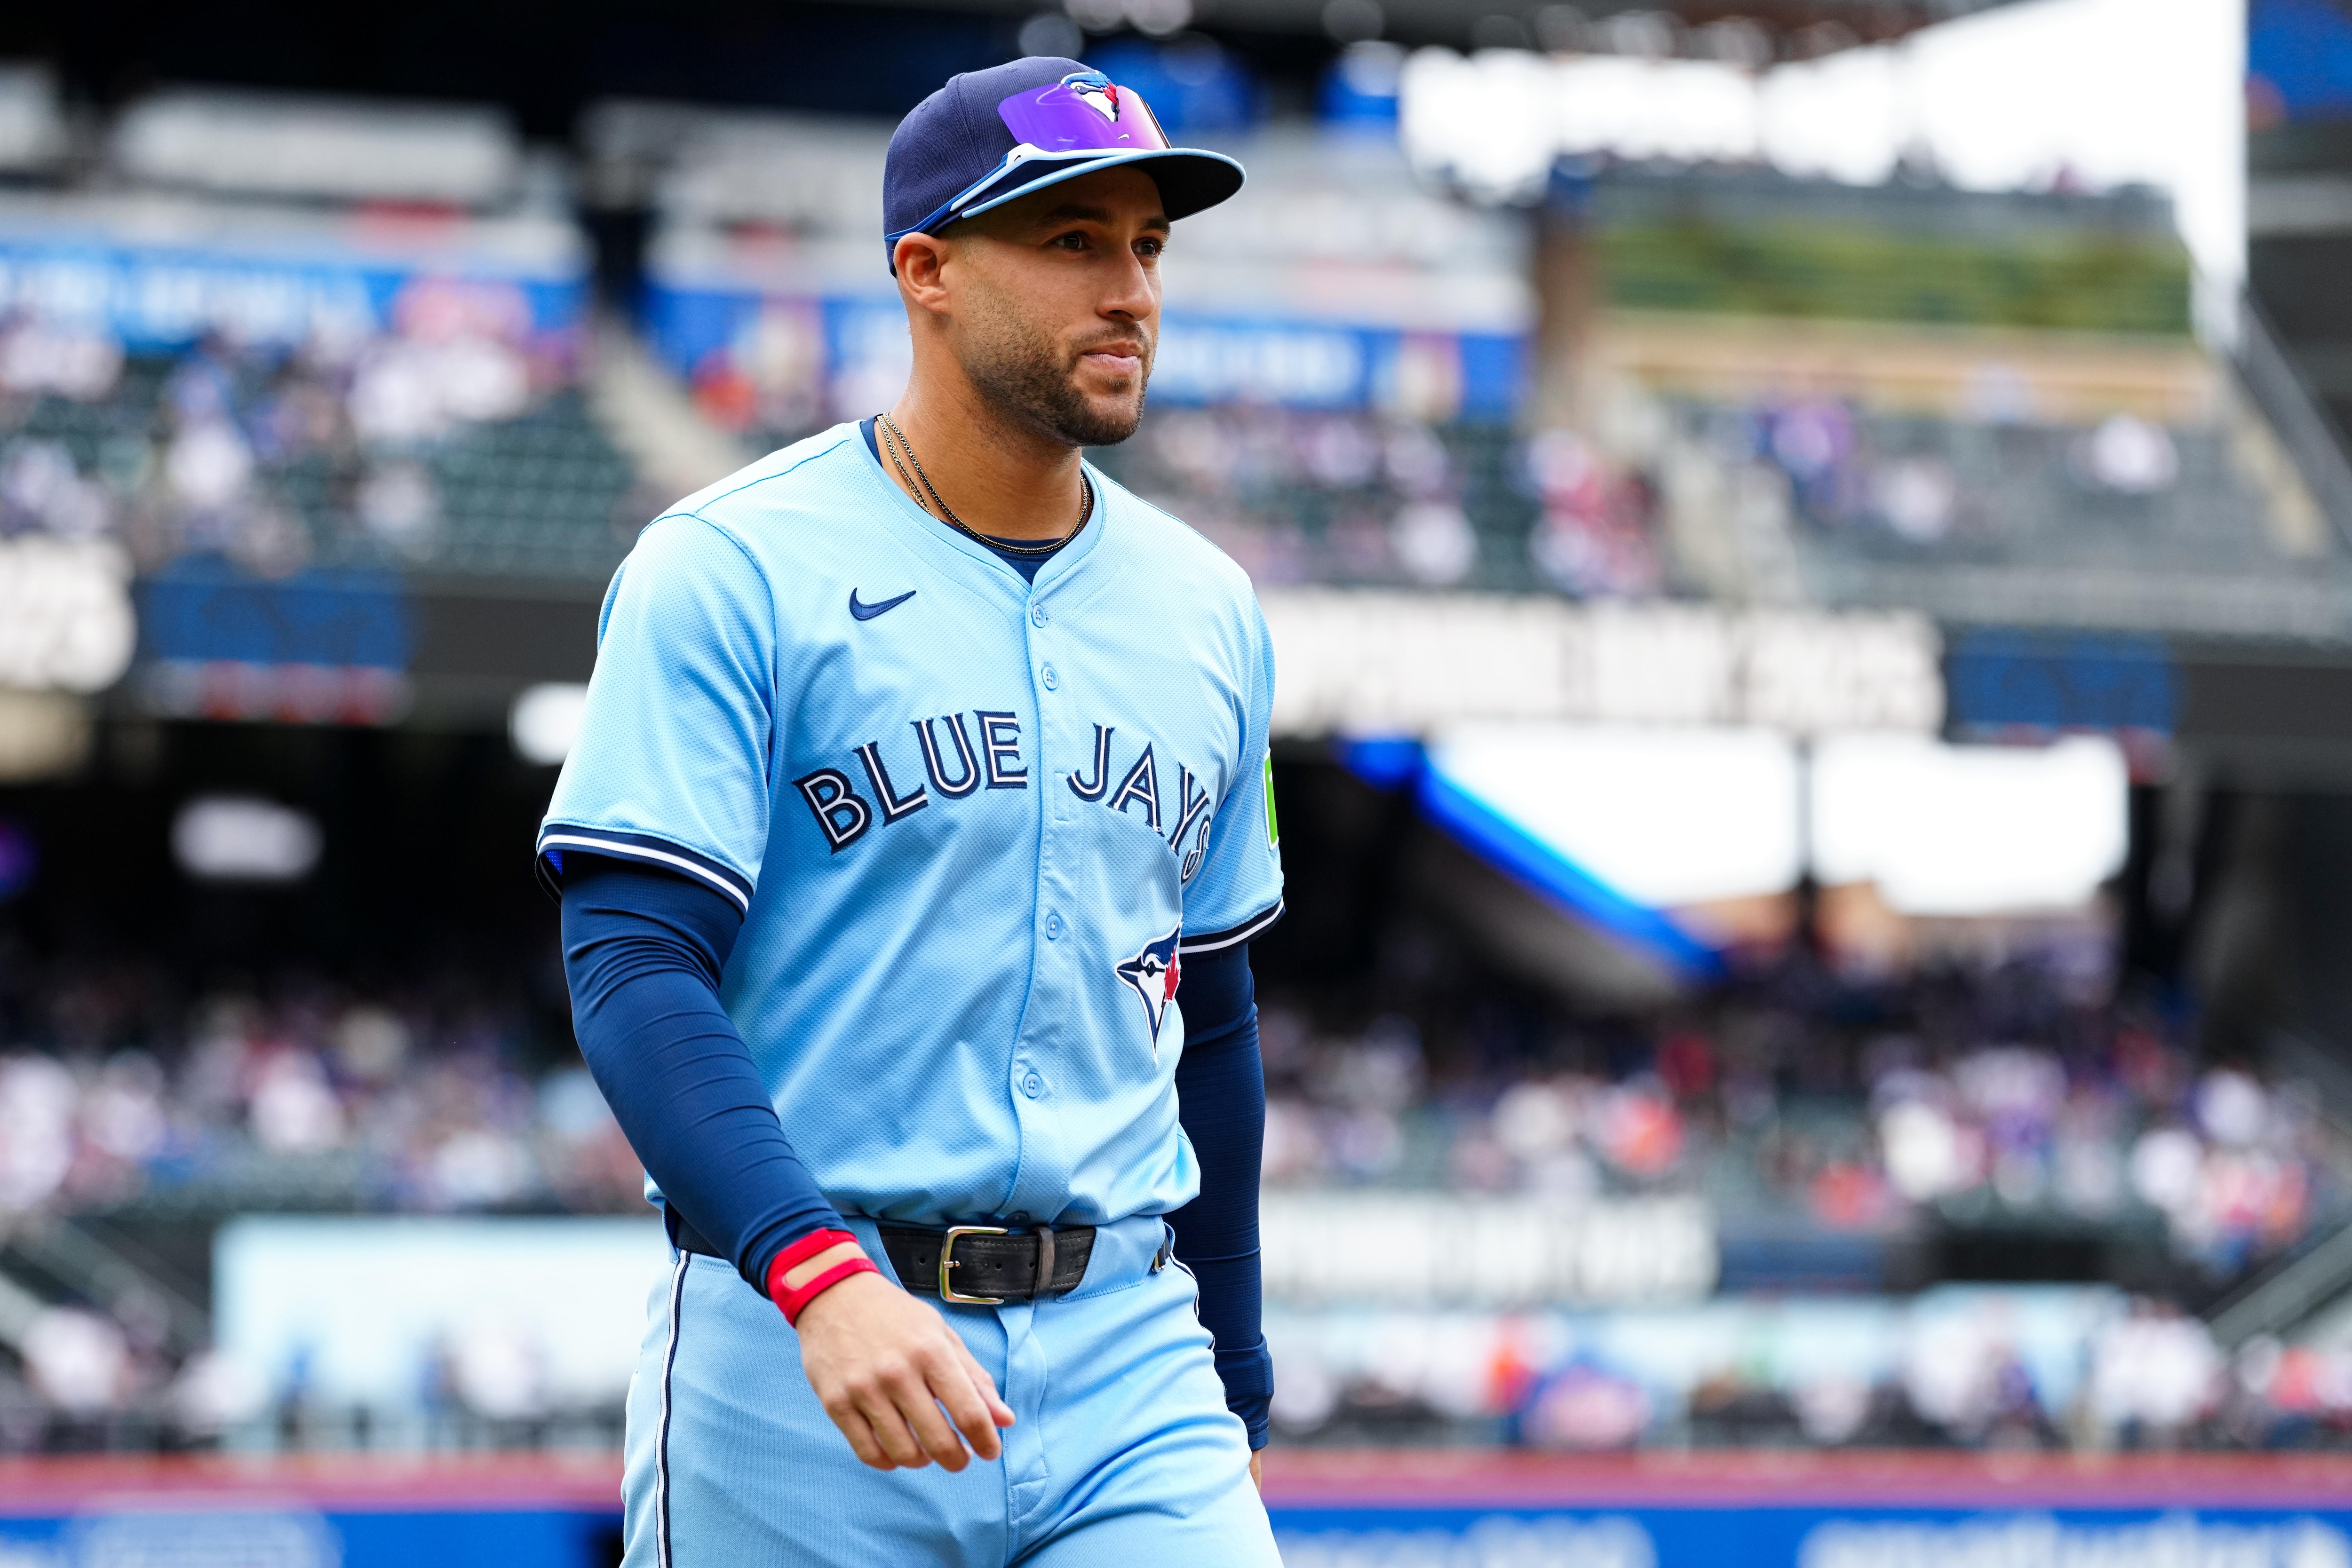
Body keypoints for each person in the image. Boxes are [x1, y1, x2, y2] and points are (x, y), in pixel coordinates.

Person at [539, 56, 1284, 1566]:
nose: (1129, 288)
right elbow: (629, 960)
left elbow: (1210, 1002)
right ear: (926, 271)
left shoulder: (1210, 608)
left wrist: (1237, 1350)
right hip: (800, 1345)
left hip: (1128, 1353)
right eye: (1071, 240)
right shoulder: (729, 566)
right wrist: (813, 1269)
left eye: (1146, 243)